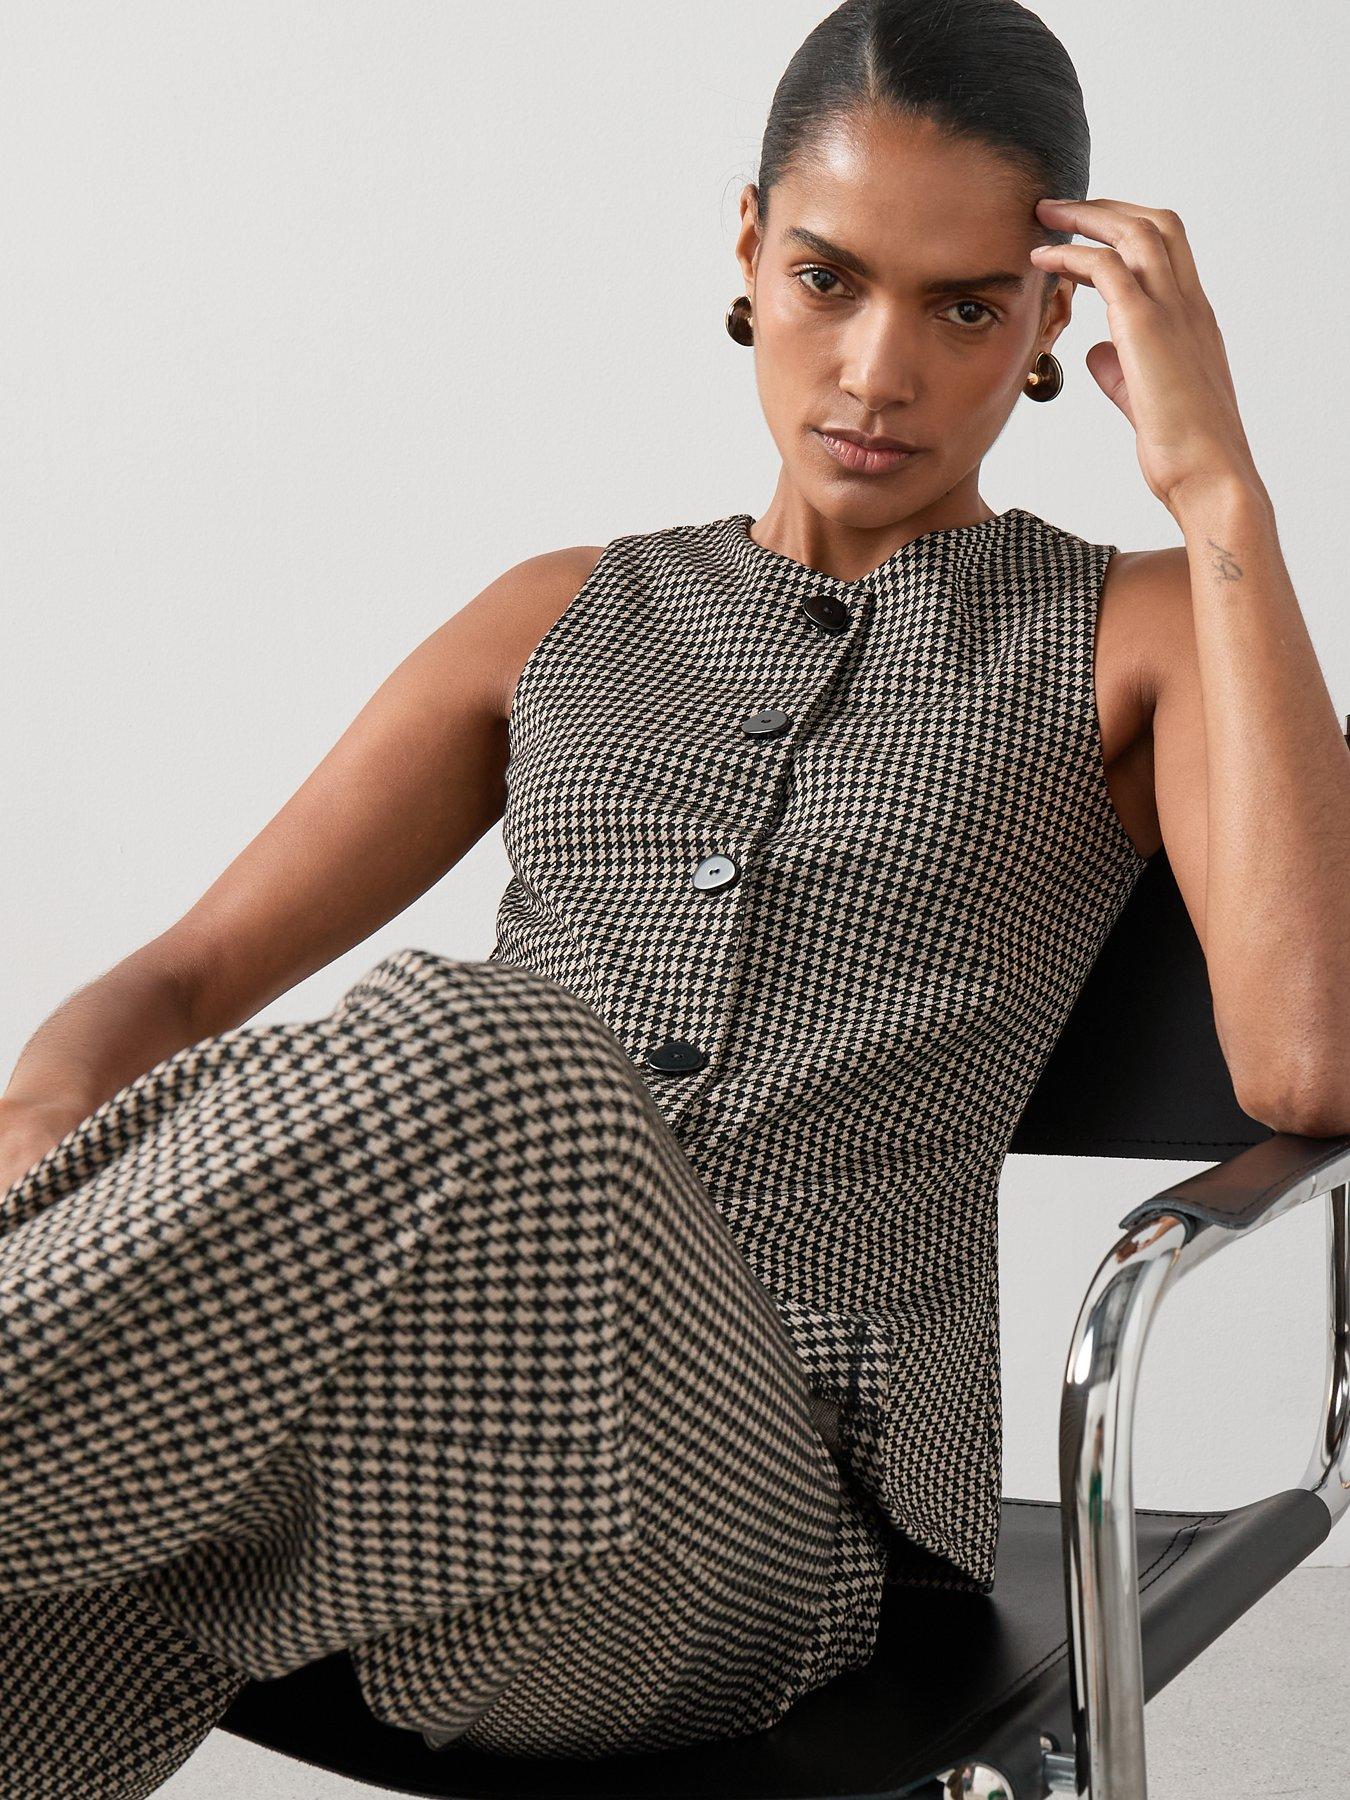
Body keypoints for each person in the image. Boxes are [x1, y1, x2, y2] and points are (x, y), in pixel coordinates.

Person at [5, 1, 1348, 1795]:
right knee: (91, 1549)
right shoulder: (557, 612)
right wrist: (41, 1145)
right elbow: (179, 984)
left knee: (481, 1045)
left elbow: (1309, 1063)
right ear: (746, 249)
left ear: (1052, 323)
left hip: (755, 1531)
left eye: (963, 308)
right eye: (826, 279)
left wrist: (1217, 482)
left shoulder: (1141, 625)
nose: (875, 371)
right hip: (391, 1493)